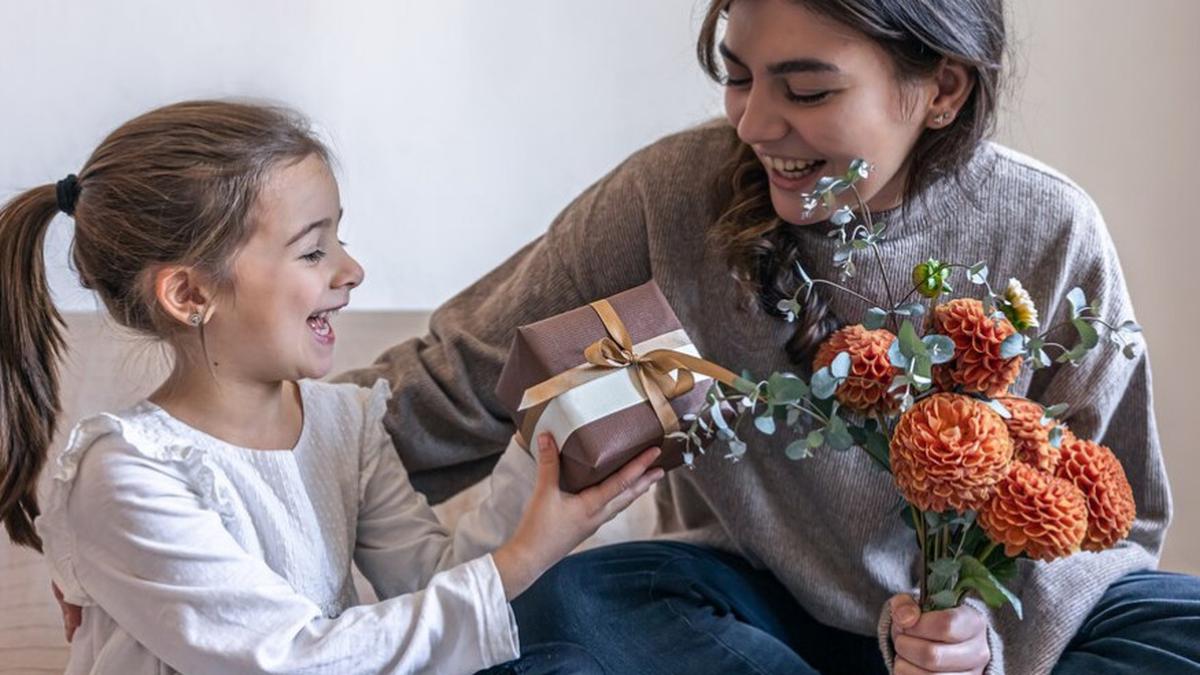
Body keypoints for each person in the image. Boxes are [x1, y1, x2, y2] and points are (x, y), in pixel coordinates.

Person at [335, 1, 1200, 673]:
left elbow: (1111, 517)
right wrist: (244, 436)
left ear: (942, 88)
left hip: (972, 641)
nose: (752, 124)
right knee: (572, 602)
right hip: (745, 614)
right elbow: (457, 379)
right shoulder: (668, 194)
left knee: (1179, 625)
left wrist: (983, 638)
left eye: (807, 88)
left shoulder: (1049, 227)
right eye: (737, 75)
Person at [0, 100, 662, 674]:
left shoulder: (343, 423)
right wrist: (521, 559)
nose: (353, 269)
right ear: (191, 293)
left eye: (339, 239)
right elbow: (287, 658)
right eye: (314, 250)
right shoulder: (126, 475)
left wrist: (543, 458)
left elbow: (432, 589)